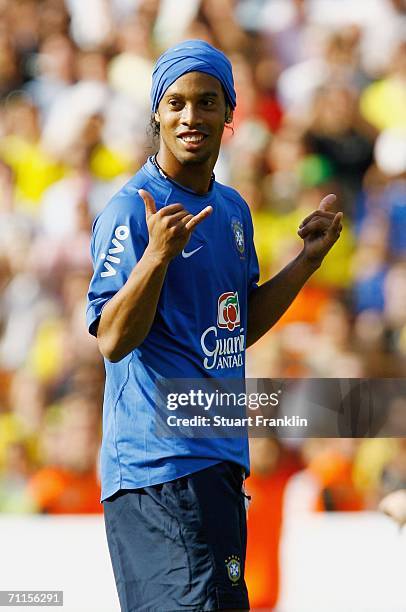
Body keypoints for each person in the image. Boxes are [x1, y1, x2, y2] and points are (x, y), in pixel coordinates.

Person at [86, 40, 343, 612]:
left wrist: (306, 263)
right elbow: (112, 339)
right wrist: (155, 258)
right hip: (158, 467)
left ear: (230, 113)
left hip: (218, 460)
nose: (190, 116)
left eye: (207, 102)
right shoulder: (134, 209)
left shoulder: (232, 211)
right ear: (156, 112)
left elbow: (236, 325)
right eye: (175, 102)